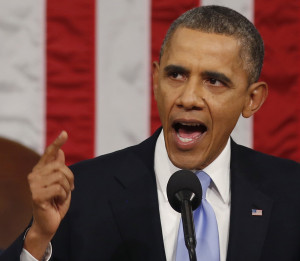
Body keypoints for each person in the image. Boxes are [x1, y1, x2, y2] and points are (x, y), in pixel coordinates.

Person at [1, 5, 300, 261]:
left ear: (252, 99)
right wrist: (38, 238)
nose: (188, 98)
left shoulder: (291, 193)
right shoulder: (82, 195)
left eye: (213, 81)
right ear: (156, 79)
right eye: (176, 75)